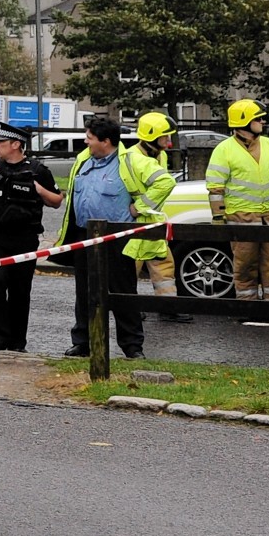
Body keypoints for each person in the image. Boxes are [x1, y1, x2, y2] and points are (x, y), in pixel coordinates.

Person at [55, 117, 173, 360]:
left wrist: (139, 207)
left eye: (89, 138)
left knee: (123, 292)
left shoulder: (131, 160)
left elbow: (165, 182)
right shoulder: (83, 158)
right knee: (85, 292)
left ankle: (132, 346)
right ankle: (83, 342)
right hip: (84, 234)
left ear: (105, 141)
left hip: (116, 236)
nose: (85, 141)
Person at [0, 122, 62, 351]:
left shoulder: (37, 169)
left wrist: (38, 189)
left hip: (25, 239)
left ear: (16, 144)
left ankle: (17, 340)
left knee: (20, 290)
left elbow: (56, 201)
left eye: (0, 143)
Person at [208, 99, 269, 303]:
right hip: (241, 218)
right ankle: (247, 306)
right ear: (244, 122)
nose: (262, 121)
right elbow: (216, 188)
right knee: (244, 267)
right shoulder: (224, 150)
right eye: (258, 118)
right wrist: (218, 217)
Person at [133, 113, 192, 322]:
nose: (169, 142)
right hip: (133, 224)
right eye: (164, 137)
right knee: (131, 268)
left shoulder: (160, 155)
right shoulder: (132, 158)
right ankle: (129, 308)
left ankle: (167, 306)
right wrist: (139, 208)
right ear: (151, 137)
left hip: (153, 221)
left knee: (164, 264)